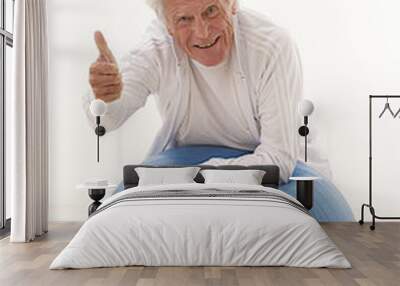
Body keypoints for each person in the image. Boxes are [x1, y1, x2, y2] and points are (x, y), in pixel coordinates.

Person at [84, 0, 354, 221]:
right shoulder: (156, 48)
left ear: (232, 4)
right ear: (166, 25)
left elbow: (278, 159)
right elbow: (110, 116)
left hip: (279, 164)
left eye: (211, 10)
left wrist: (195, 177)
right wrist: (104, 97)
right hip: (185, 155)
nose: (202, 32)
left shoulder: (271, 44)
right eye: (184, 20)